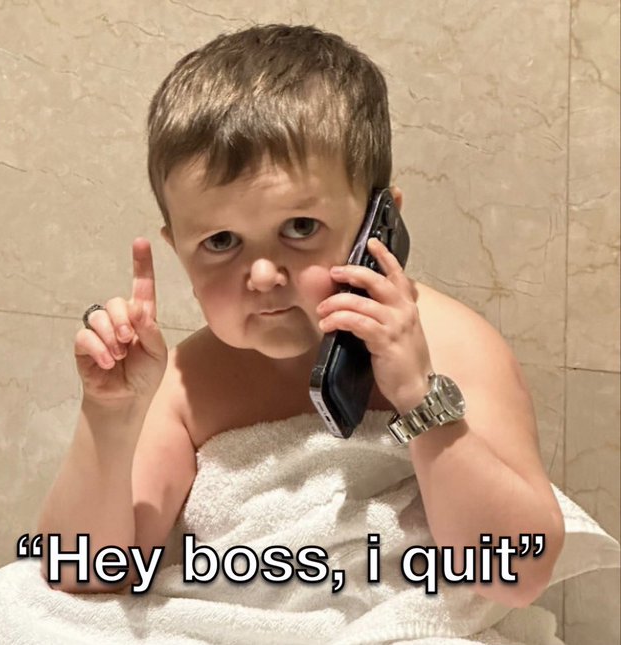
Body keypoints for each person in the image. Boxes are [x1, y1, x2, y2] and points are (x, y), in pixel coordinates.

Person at [37, 24, 565, 610]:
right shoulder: (187, 382)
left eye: (301, 227)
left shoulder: (454, 348)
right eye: (220, 241)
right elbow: (84, 573)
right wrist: (109, 417)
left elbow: (519, 574)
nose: (263, 274)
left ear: (380, 223)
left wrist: (419, 400)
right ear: (177, 249)